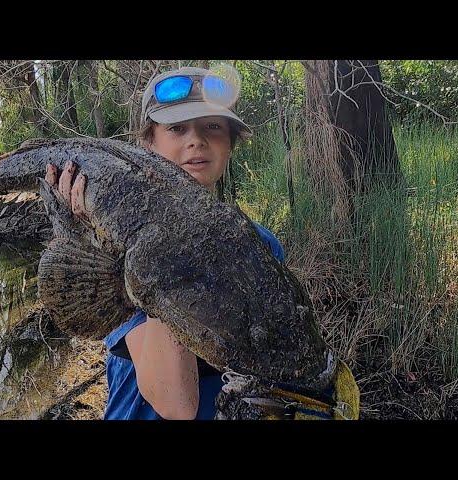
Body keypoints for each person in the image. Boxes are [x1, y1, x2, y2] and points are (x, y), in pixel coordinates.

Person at [44, 66, 286, 420]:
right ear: (148, 145)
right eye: (176, 128)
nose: (196, 140)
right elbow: (175, 402)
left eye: (212, 127)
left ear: (230, 143)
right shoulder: (111, 244)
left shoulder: (262, 246)